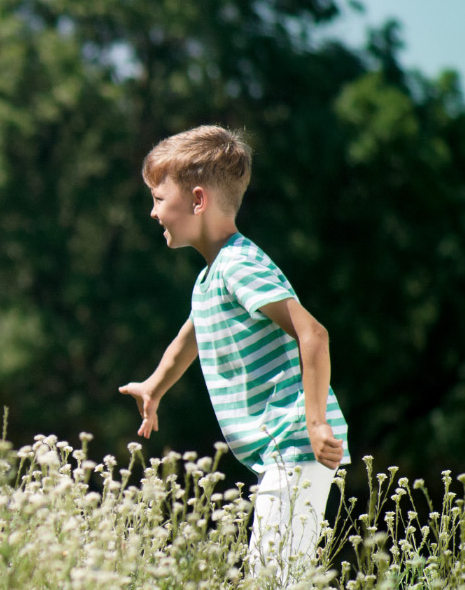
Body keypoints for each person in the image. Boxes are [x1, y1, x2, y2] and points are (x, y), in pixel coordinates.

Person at [117, 125, 349, 580]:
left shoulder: (239, 266)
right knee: (279, 575)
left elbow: (314, 334)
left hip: (297, 444)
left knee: (273, 576)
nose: (152, 212)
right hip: (280, 452)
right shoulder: (212, 278)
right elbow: (190, 337)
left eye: (159, 199)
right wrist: (154, 387)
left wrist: (316, 420)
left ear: (198, 201)